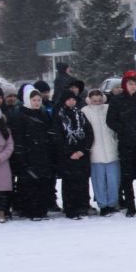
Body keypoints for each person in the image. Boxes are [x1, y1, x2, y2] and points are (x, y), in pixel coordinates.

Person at [107, 69, 136, 216]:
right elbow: (111, 120)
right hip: (126, 143)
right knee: (127, 177)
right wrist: (123, 130)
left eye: (135, 84)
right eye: (130, 83)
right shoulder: (117, 100)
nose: (133, 86)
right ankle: (131, 206)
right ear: (125, 84)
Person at [11, 86, 57, 220]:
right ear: (27, 100)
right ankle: (30, 210)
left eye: (38, 100)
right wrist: (21, 153)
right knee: (29, 183)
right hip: (28, 154)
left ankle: (42, 210)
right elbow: (18, 136)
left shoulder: (42, 113)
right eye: (34, 100)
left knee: (43, 182)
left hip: (42, 153)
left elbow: (48, 131)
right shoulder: (20, 114)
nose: (37, 102)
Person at [53, 87, 94, 219]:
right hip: (67, 156)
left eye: (73, 99)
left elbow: (89, 133)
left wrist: (82, 150)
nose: (71, 102)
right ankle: (70, 208)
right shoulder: (59, 115)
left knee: (82, 182)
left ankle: (83, 206)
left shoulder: (80, 114)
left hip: (82, 155)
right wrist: (70, 152)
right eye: (69, 99)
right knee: (69, 183)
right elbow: (58, 137)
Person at [83, 86, 120, 215]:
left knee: (113, 180)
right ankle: (103, 204)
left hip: (111, 150)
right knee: (99, 181)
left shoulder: (109, 109)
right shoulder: (85, 112)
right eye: (94, 101)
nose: (97, 103)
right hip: (95, 152)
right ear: (89, 100)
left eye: (99, 100)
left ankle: (112, 203)